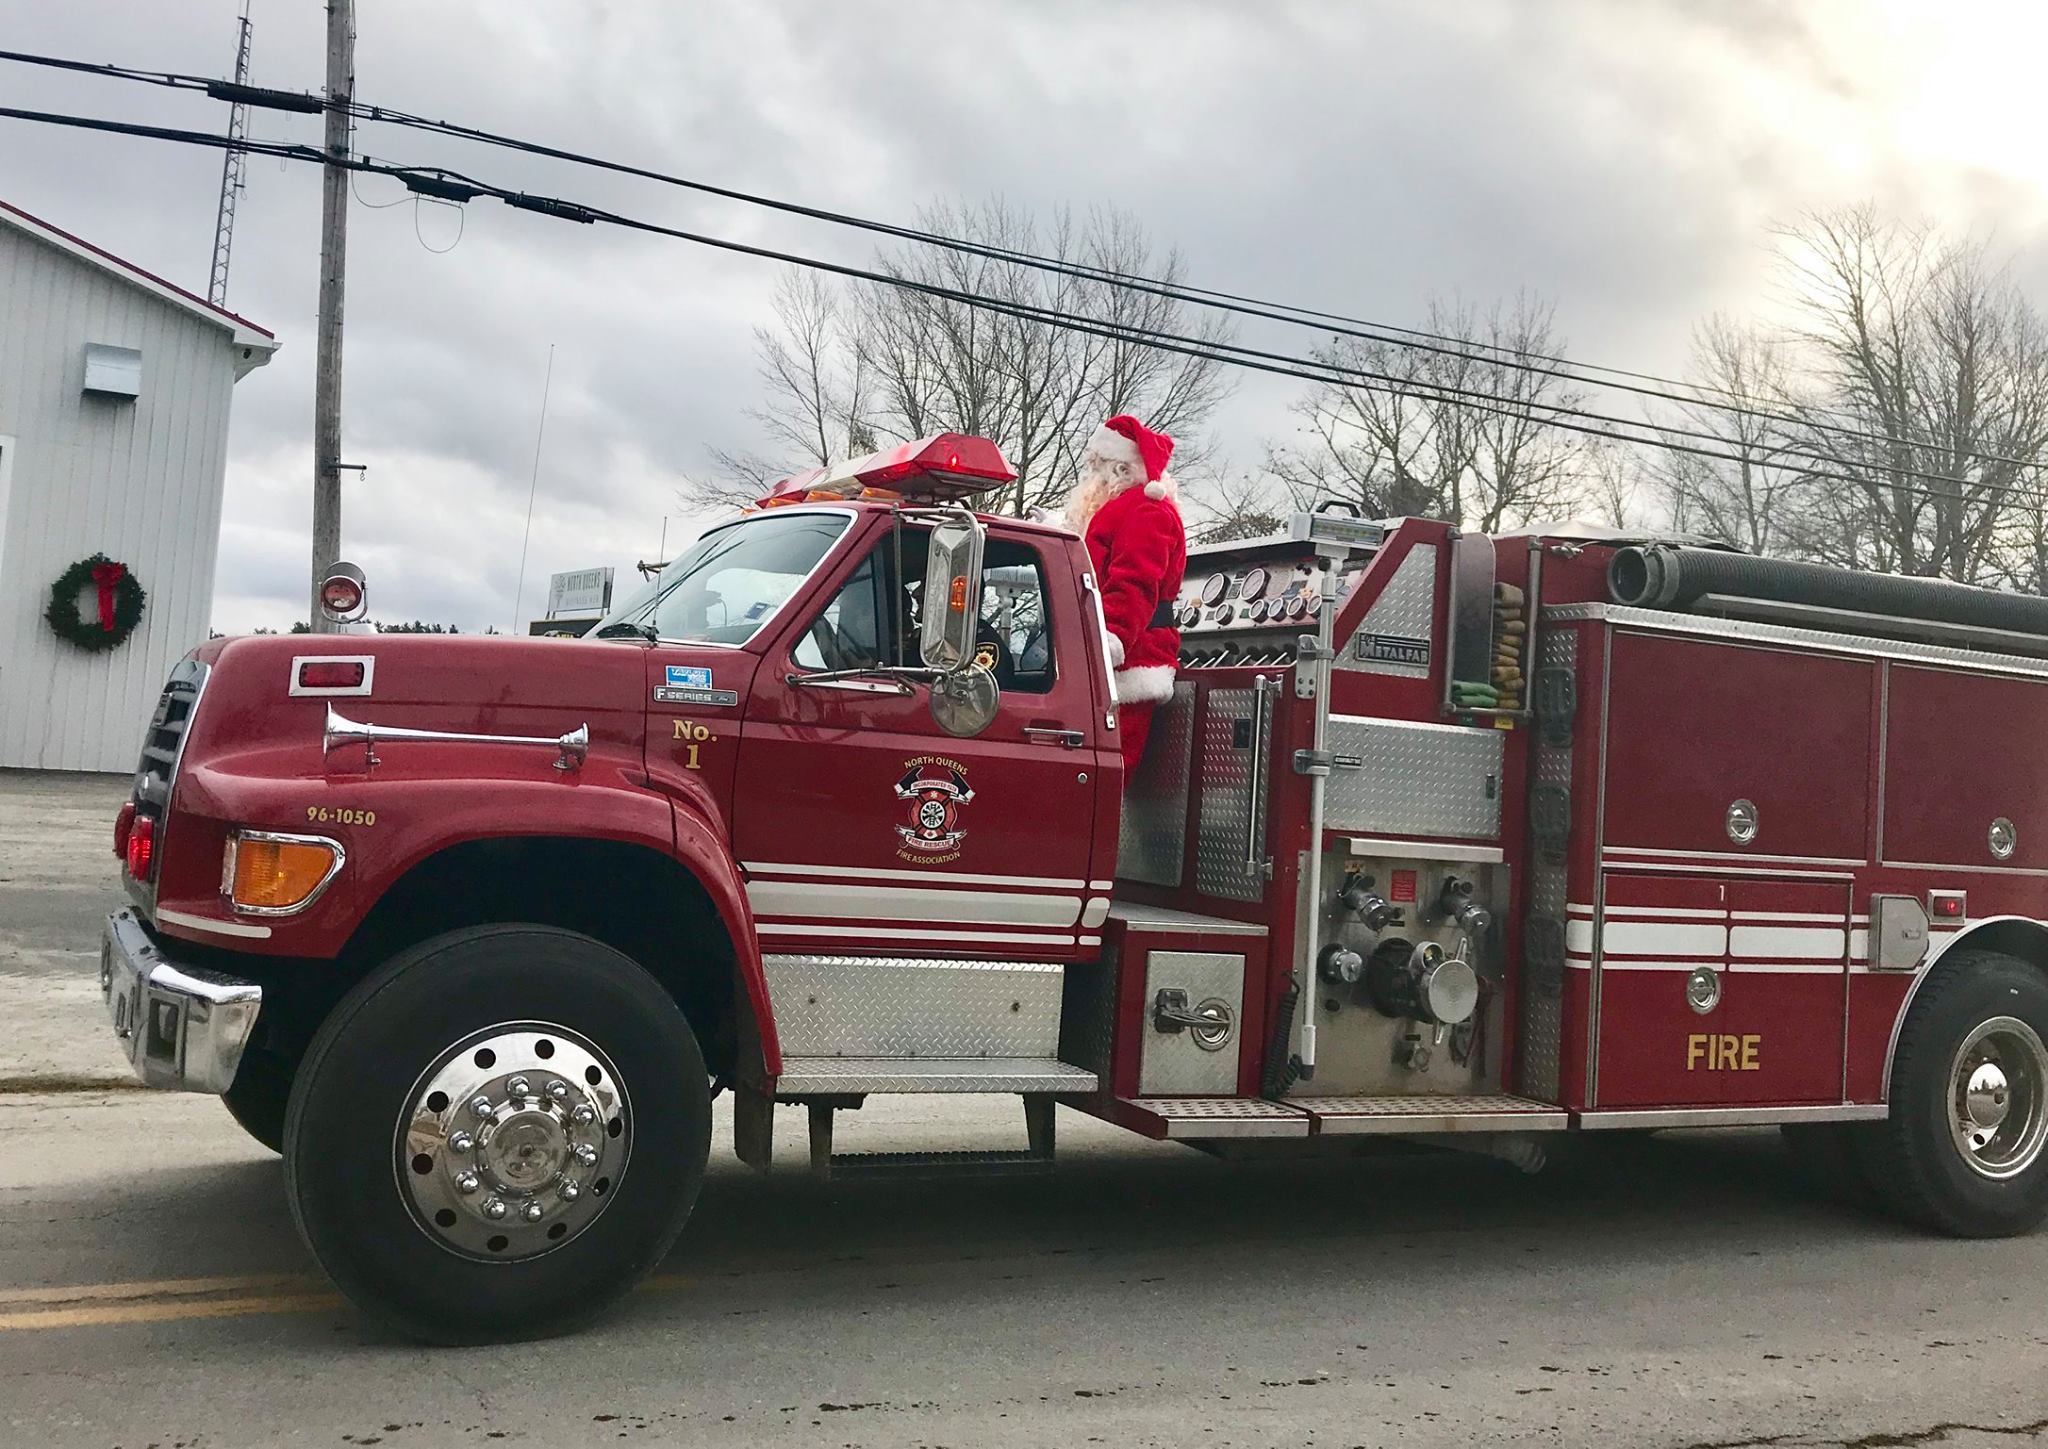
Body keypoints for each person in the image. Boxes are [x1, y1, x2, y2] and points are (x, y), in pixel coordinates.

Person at [1068, 414, 1185, 771]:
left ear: (1119, 469)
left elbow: (1134, 583)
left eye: (1098, 467)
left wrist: (1111, 638)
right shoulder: (1124, 509)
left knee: (1111, 769)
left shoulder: (1146, 511)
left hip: (1131, 657)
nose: (1092, 476)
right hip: (1114, 655)